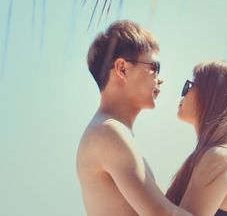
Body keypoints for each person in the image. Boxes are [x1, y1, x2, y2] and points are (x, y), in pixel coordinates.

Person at [77, 20, 193, 216]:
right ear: (122, 69)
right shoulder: (108, 132)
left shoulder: (109, 131)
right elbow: (162, 213)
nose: (160, 78)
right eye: (155, 67)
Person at [166, 61, 227, 216]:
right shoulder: (224, 157)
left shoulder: (221, 157)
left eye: (192, 85)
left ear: (212, 95)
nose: (184, 91)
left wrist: (137, 175)